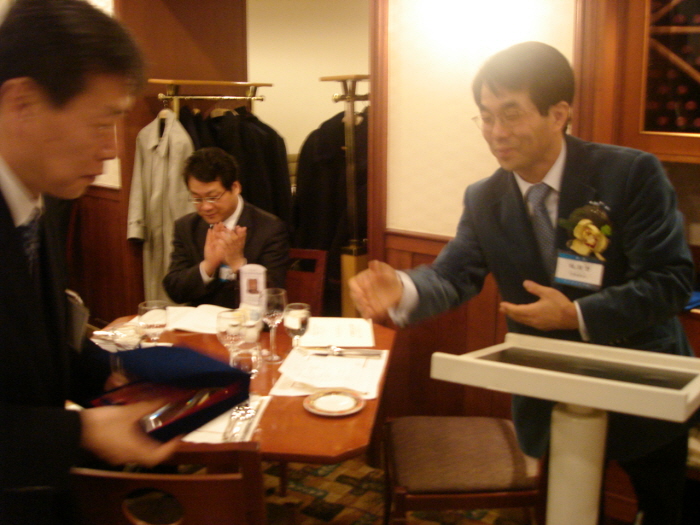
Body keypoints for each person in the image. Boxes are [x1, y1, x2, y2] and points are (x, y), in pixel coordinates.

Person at [350, 41, 696, 525]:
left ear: (559, 114)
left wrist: (577, 315)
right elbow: (452, 275)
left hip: (640, 382)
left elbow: (671, 280)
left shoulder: (628, 174)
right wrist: (405, 289)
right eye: (486, 116)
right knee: (567, 509)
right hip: (548, 389)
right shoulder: (485, 198)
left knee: (663, 510)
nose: (496, 132)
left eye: (511, 114)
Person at [0, 1, 181, 523]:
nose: (111, 150)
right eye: (102, 123)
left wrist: (108, 374)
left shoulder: (39, 205)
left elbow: (36, 346)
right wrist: (80, 431)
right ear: (23, 102)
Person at [163, 146, 289, 308]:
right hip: (199, 321)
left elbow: (273, 299)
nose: (206, 207)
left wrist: (238, 264)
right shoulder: (186, 227)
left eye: (213, 197)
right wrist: (208, 266)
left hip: (248, 320)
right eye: (197, 199)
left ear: (235, 187)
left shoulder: (270, 229)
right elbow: (174, 290)